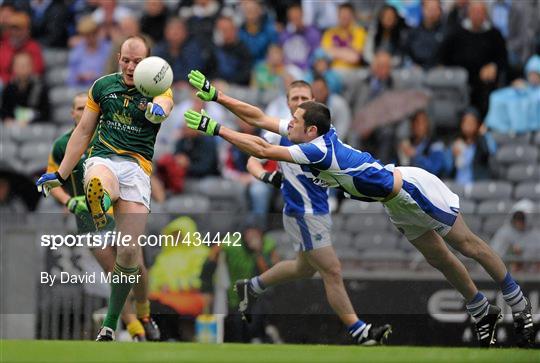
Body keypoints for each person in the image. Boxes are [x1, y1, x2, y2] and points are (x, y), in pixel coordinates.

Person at [185, 74, 534, 348]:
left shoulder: (314, 151)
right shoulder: (310, 134)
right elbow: (259, 118)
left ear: (310, 129)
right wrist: (216, 97)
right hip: (393, 202)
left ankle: (519, 307)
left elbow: (261, 147)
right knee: (440, 258)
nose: (287, 124)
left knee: (468, 245)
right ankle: (479, 309)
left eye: (294, 119)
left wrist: (214, 127)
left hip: (412, 189)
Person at [187, 70, 392, 345]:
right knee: (332, 271)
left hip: (318, 209)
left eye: (303, 99)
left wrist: (217, 117)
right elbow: (255, 149)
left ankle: (252, 286)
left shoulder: (313, 136)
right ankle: (360, 331)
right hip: (303, 213)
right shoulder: (288, 132)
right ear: (287, 103)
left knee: (303, 268)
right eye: (294, 98)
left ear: (313, 105)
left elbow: (261, 136)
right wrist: (266, 176)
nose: (298, 103)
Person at [36, 35, 174, 342]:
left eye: (137, 62)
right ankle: (116, 327)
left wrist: (159, 110)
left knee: (130, 255)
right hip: (104, 161)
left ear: (148, 63)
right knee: (98, 181)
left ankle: (142, 312)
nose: (129, 66)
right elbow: (84, 131)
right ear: (119, 58)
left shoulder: (158, 87)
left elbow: (164, 104)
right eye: (125, 59)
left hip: (137, 169)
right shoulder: (102, 87)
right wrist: (60, 176)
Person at [46, 92, 157, 341]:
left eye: (84, 107)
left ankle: (144, 311)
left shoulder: (108, 137)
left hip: (119, 212)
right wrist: (69, 201)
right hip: (88, 220)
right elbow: (52, 180)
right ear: (72, 113)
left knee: (136, 266)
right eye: (76, 108)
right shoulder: (62, 145)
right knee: (113, 272)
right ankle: (137, 331)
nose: (80, 112)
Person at [200, 221, 281, 343]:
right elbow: (210, 260)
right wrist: (207, 289)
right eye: (249, 232)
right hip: (235, 295)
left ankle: (263, 336)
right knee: (238, 325)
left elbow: (273, 273)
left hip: (260, 295)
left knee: (256, 316)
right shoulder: (231, 244)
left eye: (256, 232)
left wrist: (258, 253)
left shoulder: (269, 245)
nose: (252, 236)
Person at [398, 110, 449, 178]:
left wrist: (416, 155)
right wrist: (400, 154)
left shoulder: (436, 144)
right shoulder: (408, 143)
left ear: (427, 124)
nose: (419, 126)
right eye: (416, 122)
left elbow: (435, 169)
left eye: (422, 122)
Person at [451, 108, 496, 185]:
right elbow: (449, 168)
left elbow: (489, 152)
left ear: (478, 124)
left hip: (477, 187)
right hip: (459, 186)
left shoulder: (483, 140)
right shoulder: (457, 143)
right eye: (465, 122)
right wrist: (453, 155)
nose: (468, 125)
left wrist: (483, 135)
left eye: (472, 122)